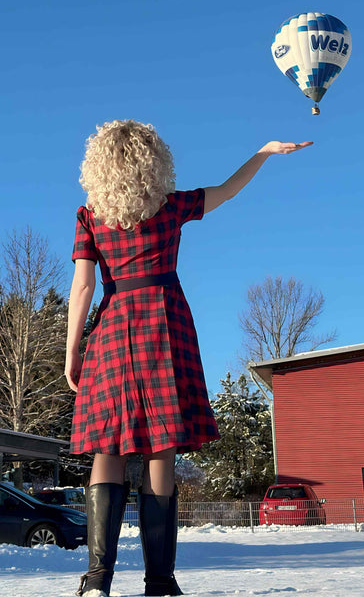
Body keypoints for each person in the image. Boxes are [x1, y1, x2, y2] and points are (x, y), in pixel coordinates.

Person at [65, 119, 312, 597]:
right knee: (160, 447)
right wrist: (261, 152)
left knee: (108, 447)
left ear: (99, 164)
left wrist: (72, 348)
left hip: (114, 326)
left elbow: (83, 285)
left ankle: (97, 580)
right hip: (164, 322)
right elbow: (227, 190)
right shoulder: (171, 206)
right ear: (153, 161)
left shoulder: (90, 215)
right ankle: (160, 581)